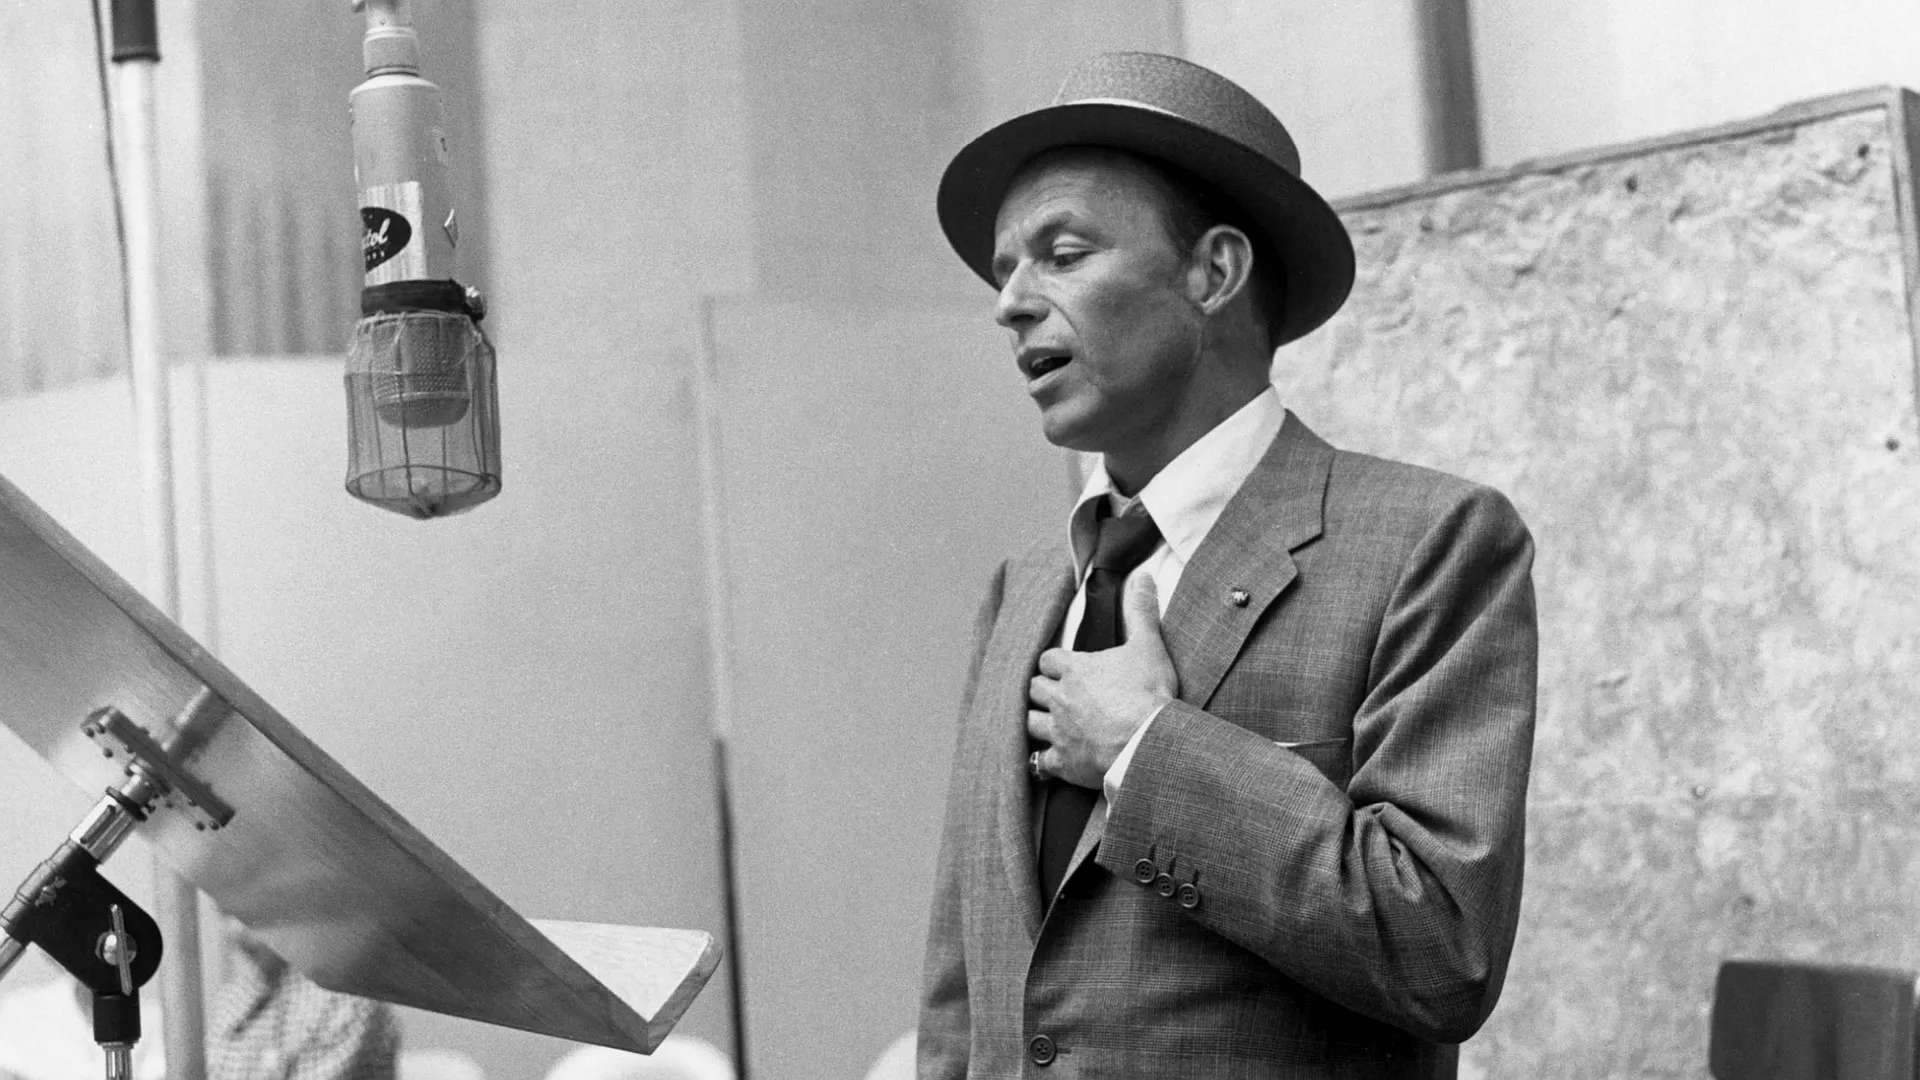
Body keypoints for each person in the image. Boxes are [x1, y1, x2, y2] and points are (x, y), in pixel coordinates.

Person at [918, 52, 1538, 1078]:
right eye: (1004, 270)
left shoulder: (1429, 543)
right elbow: (961, 989)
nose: (1011, 303)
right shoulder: (1021, 592)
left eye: (1062, 253)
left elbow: (1442, 951)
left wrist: (1145, 749)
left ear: (1213, 273)